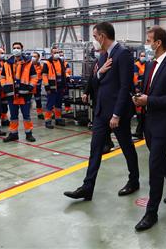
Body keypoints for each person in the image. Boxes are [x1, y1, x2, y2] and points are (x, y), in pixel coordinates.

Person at [63, 21, 140, 201]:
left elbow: (124, 87)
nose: (94, 40)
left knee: (127, 147)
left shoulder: (123, 55)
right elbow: (96, 83)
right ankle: (87, 187)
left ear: (103, 37)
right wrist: (99, 74)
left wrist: (117, 114)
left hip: (116, 114)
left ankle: (134, 180)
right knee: (95, 149)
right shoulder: (102, 57)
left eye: (95, 37)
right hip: (100, 112)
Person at [132, 26, 166, 231]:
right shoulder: (151, 65)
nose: (147, 44)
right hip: (149, 122)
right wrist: (140, 98)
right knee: (159, 159)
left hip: (163, 124)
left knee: (155, 167)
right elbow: (149, 91)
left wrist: (149, 100)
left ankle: (151, 213)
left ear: (158, 43)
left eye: (149, 40)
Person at [0, 42, 38, 142]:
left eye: (18, 48)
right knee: (13, 116)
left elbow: (34, 77)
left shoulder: (28, 63)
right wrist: (4, 86)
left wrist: (30, 86)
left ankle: (29, 134)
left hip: (24, 94)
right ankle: (13, 134)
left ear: (22, 49)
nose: (16, 49)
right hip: (11, 94)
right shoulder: (7, 63)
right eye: (14, 48)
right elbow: (2, 77)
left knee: (26, 115)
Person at [82, 50, 115, 154]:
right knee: (99, 120)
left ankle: (107, 143)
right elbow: (91, 78)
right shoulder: (96, 62)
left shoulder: (109, 61)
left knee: (105, 121)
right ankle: (107, 143)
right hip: (96, 96)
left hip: (106, 97)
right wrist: (86, 92)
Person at [42, 47, 69, 129]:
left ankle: (58, 119)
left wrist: (65, 85)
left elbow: (63, 73)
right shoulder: (47, 63)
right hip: (52, 87)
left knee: (58, 105)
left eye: (57, 52)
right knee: (50, 105)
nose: (56, 54)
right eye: (55, 52)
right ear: (51, 53)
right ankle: (47, 121)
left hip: (60, 87)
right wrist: (47, 87)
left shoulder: (61, 61)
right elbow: (44, 75)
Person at [132, 51, 147, 139]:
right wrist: (136, 86)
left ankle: (140, 131)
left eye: (144, 56)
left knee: (142, 111)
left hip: (144, 88)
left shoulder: (148, 64)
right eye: (141, 56)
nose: (143, 57)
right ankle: (139, 131)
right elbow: (135, 76)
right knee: (139, 110)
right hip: (139, 88)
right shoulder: (136, 64)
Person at [0, 47, 10, 127]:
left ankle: (4, 120)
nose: (2, 54)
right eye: (0, 53)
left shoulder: (5, 63)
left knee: (5, 104)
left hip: (4, 86)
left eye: (3, 53)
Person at [32, 52, 45, 120]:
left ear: (38, 58)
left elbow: (43, 76)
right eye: (32, 56)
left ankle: (39, 113)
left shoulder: (41, 66)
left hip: (37, 87)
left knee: (38, 100)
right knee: (27, 101)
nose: (33, 58)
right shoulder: (29, 65)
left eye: (35, 56)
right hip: (30, 87)